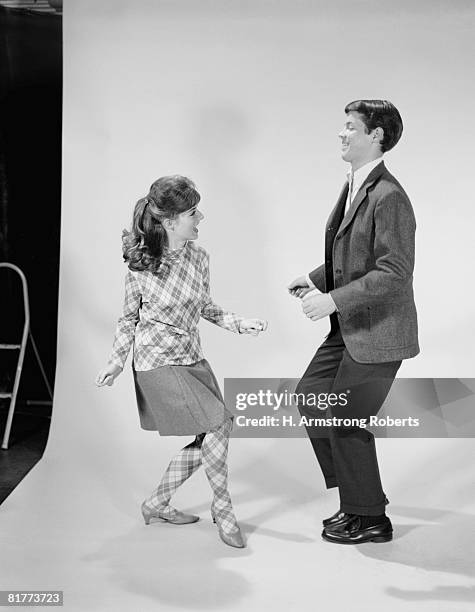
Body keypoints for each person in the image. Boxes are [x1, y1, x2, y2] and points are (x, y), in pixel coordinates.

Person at [96, 175, 267, 549]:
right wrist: (115, 362)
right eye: (192, 212)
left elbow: (206, 307)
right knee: (220, 426)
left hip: (192, 358)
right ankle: (224, 513)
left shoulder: (199, 257)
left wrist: (242, 324)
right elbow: (128, 319)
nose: (200, 217)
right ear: (170, 221)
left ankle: (156, 503)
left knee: (211, 434)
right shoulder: (141, 266)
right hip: (157, 362)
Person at [288, 100, 419, 545]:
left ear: (376, 135)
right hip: (350, 329)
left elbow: (394, 271)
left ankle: (371, 519)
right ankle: (355, 501)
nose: (341, 135)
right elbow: (353, 256)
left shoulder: (389, 195)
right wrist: (312, 278)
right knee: (311, 398)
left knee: (344, 417)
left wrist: (331, 301)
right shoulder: (355, 185)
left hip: (379, 332)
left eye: (350, 127)